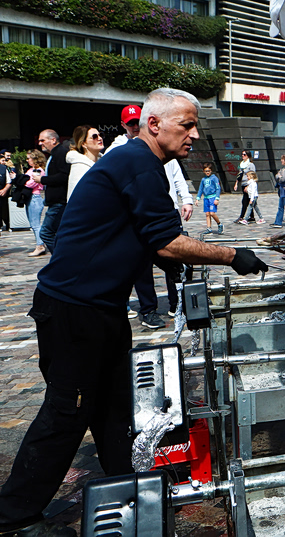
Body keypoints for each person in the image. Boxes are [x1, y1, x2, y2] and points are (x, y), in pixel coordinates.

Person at [0, 88, 268, 537]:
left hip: (101, 309)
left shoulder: (142, 163)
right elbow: (165, 239)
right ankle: (14, 512)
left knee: (113, 407)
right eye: (187, 125)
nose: (195, 135)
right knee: (69, 411)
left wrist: (170, 262)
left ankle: (129, 486)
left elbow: (139, 236)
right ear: (155, 124)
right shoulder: (138, 163)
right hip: (74, 310)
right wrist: (230, 254)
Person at [106, 105, 194, 328]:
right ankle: (148, 309)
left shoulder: (164, 147)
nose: (136, 127)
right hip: (137, 214)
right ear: (124, 125)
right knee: (142, 264)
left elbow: (177, 176)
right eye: (131, 123)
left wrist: (187, 199)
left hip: (166, 208)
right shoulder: (119, 150)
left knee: (175, 260)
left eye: (138, 122)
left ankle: (178, 305)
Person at [36, 129, 70, 253]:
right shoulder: (54, 154)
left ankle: (60, 259)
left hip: (59, 201)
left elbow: (63, 176)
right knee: (58, 233)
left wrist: (42, 179)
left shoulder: (60, 153)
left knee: (45, 232)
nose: (40, 143)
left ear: (53, 140)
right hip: (55, 201)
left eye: (43, 140)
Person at [66, 125, 104, 200]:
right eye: (94, 136)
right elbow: (76, 197)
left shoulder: (104, 162)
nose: (100, 138)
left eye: (100, 135)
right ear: (83, 143)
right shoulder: (79, 166)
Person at [24, 150, 47, 257]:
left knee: (35, 224)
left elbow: (30, 183)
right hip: (31, 197)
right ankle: (40, 243)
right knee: (33, 224)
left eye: (29, 158)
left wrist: (22, 181)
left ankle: (40, 245)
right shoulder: (32, 170)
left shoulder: (38, 170)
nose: (27, 160)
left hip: (35, 197)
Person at [197, 163, 223, 234]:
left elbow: (218, 188)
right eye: (206, 171)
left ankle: (219, 224)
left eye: (209, 170)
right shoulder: (203, 179)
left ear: (211, 171)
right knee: (207, 214)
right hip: (206, 198)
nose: (207, 172)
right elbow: (201, 189)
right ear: (203, 171)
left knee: (212, 213)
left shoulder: (214, 178)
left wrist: (217, 198)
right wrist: (198, 198)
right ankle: (209, 228)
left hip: (212, 197)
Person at [233, 150, 256, 224]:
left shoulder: (250, 165)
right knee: (249, 201)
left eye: (244, 154)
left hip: (248, 184)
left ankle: (242, 216)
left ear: (248, 156)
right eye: (242, 154)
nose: (242, 156)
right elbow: (239, 175)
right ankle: (252, 217)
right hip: (243, 184)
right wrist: (236, 183)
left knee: (244, 201)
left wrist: (248, 186)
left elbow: (253, 175)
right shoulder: (242, 164)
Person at [0, 151, 13, 232]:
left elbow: (9, 181)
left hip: (2, 193)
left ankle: (7, 224)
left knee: (4, 210)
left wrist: (4, 190)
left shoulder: (4, 169)